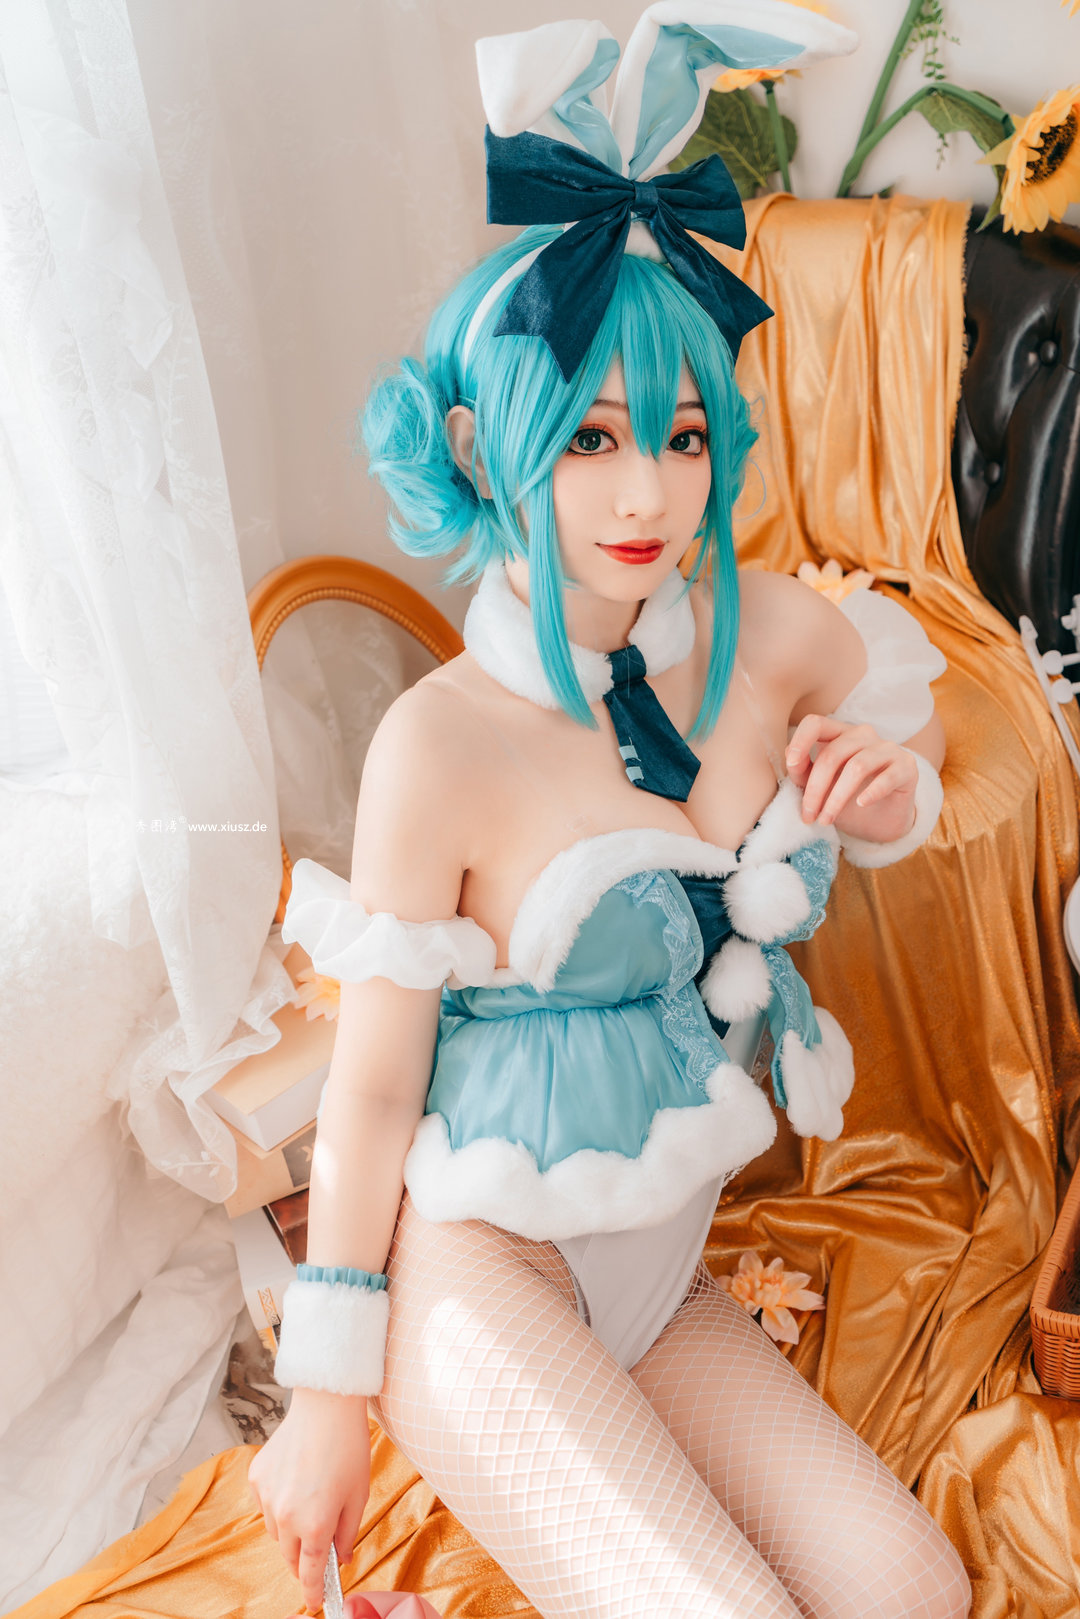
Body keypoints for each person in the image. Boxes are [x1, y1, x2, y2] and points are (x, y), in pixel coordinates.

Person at [248, 9, 972, 1617]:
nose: (648, 494)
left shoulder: (764, 641)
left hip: (657, 1272)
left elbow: (909, 726)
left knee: (913, 1591)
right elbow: (372, 1092)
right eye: (588, 439)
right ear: (484, 447)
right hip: (477, 1278)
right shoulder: (437, 745)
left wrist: (889, 787)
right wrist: (325, 1395)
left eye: (682, 435)